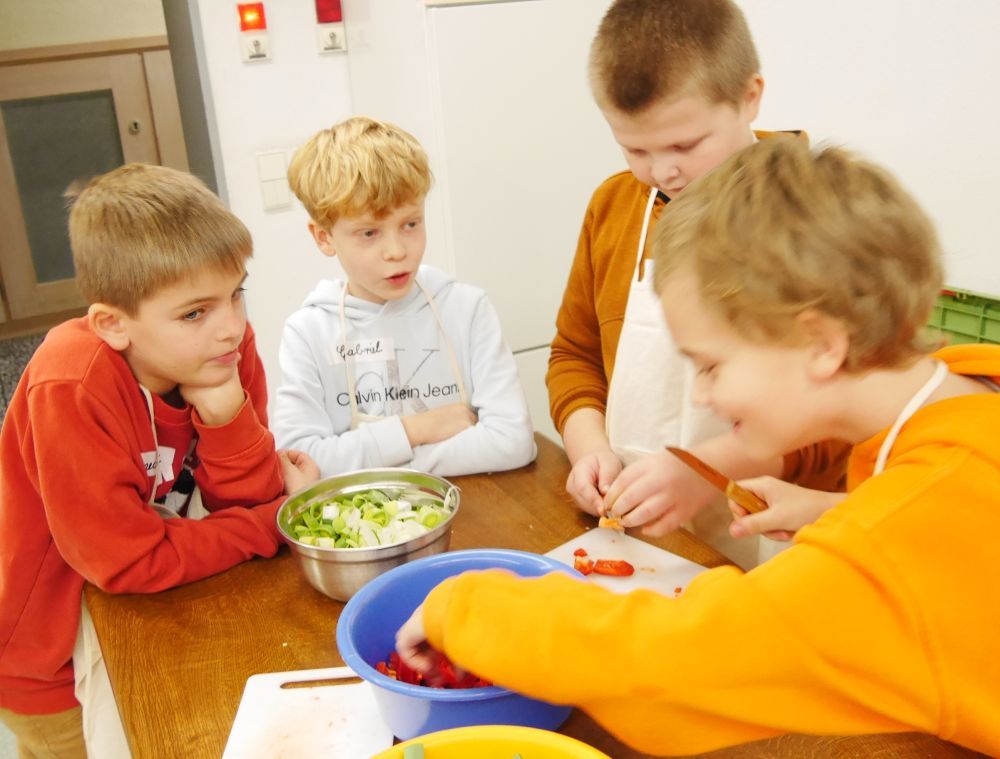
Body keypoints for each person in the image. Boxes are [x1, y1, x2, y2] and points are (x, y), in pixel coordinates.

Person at [396, 139, 1000, 756]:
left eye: (710, 366)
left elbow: (670, 666)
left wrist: (462, 608)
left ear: (820, 343)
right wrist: (831, 514)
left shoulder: (900, 537)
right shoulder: (970, 393)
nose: (704, 397)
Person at [0, 164, 319, 759]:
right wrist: (279, 518)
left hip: (163, 612)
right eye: (195, 313)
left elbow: (241, 500)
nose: (232, 328)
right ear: (112, 325)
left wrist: (226, 416)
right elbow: (129, 561)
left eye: (237, 294)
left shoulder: (220, 351)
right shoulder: (70, 384)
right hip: (48, 659)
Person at [547, 0, 848, 568]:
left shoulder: (813, 221)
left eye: (686, 146)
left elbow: (843, 419)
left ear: (749, 97)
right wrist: (589, 448)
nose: (663, 172)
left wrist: (710, 469)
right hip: (634, 534)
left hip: (773, 541)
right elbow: (574, 355)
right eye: (636, 149)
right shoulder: (614, 207)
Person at [274, 116, 536, 477]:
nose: (397, 251)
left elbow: (513, 441)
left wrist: (379, 459)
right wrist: (417, 429)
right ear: (323, 238)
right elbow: (301, 462)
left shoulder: (466, 309)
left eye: (410, 224)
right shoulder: (308, 332)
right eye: (369, 233)